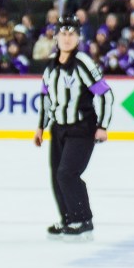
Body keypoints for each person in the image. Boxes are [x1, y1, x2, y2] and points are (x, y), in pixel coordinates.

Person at [34, 16, 114, 241]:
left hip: (82, 128)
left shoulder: (83, 63)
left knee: (67, 173)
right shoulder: (50, 65)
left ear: (78, 37)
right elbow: (45, 97)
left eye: (72, 34)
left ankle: (83, 220)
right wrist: (41, 126)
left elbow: (106, 94)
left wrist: (102, 126)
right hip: (58, 129)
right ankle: (68, 218)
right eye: (63, 33)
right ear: (56, 36)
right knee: (56, 176)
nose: (67, 38)